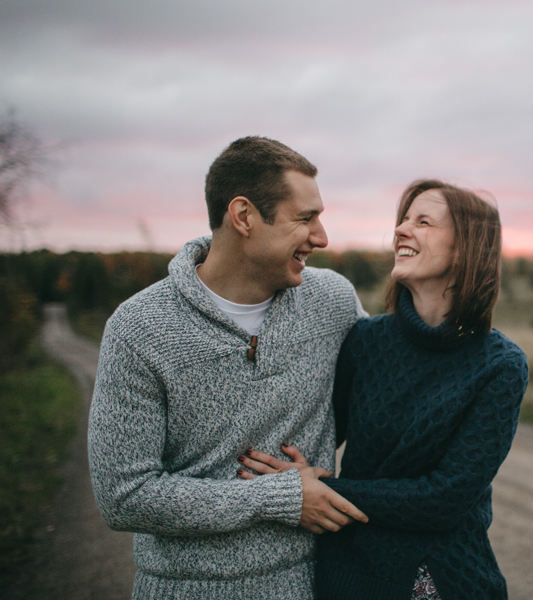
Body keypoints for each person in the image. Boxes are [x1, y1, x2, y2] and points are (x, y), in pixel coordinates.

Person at [87, 136, 369, 600]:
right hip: (186, 589)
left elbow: (389, 392)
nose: (321, 237)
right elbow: (123, 496)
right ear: (243, 217)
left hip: (317, 580)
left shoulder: (332, 300)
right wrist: (281, 498)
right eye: (305, 218)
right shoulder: (139, 329)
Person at [240, 179, 529, 600]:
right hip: (350, 573)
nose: (401, 230)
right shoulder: (365, 341)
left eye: (424, 222)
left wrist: (328, 492)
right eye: (403, 219)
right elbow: (315, 435)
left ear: (466, 248)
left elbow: (444, 499)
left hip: (444, 577)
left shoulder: (500, 364)